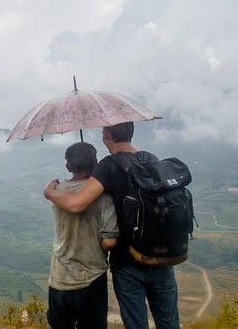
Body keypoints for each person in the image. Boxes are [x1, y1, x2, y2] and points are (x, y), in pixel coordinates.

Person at [44, 122, 180, 329]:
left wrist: (50, 193)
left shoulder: (107, 166)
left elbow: (77, 203)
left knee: (136, 325)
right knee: (169, 324)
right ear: (130, 132)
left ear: (106, 134)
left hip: (128, 262)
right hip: (161, 256)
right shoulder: (151, 159)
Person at [46, 142, 118, 329]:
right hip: (91, 277)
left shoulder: (56, 192)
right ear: (96, 163)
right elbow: (110, 241)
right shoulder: (104, 195)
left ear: (68, 167)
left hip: (59, 276)